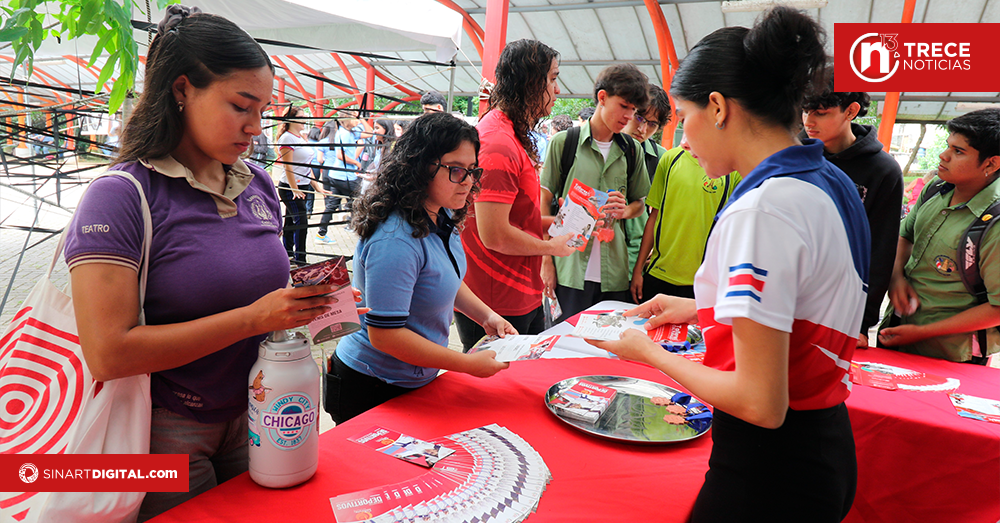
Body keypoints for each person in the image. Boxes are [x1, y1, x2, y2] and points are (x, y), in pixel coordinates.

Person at [62, 7, 345, 520]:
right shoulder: (120, 197)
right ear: (182, 90)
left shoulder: (258, 184)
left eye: (263, 110)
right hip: (164, 430)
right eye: (241, 106)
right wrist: (253, 319)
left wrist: (314, 303)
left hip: (263, 409)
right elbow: (107, 353)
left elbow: (254, 290)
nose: (255, 127)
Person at [590, 8, 868, 521]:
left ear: (717, 107)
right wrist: (704, 307)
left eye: (683, 115)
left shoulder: (763, 209)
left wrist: (647, 353)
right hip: (824, 443)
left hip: (768, 469)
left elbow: (760, 402)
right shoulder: (831, 183)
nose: (683, 138)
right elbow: (803, 307)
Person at [328, 112, 514, 423]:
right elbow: (386, 336)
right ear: (419, 166)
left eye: (472, 170)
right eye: (456, 170)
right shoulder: (395, 239)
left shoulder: (440, 214)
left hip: (410, 379)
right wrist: (467, 364)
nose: (468, 181)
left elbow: (443, 278)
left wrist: (487, 316)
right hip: (373, 385)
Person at [456, 39, 576, 350]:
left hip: (516, 291)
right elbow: (495, 235)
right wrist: (550, 248)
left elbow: (517, 219)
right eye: (552, 79)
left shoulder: (510, 132)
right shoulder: (498, 142)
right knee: (497, 377)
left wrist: (563, 224)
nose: (557, 90)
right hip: (496, 300)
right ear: (530, 82)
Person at [878, 109, 1000, 363]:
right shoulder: (936, 189)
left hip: (953, 354)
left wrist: (923, 332)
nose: (943, 155)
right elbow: (905, 236)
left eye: (958, 151)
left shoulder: (994, 222)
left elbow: (996, 309)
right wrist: (896, 277)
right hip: (897, 330)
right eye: (948, 146)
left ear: (991, 163)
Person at [540, 63, 650, 321]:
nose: (629, 116)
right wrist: (546, 260)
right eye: (624, 106)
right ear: (602, 97)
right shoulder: (564, 143)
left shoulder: (632, 150)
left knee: (606, 342)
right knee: (566, 338)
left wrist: (624, 211)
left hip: (614, 273)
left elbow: (640, 204)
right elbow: (543, 200)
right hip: (568, 268)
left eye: (634, 110)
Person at [802, 77, 904, 347]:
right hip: (784, 290)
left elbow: (880, 250)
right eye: (805, 111)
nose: (809, 121)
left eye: (820, 113)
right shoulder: (790, 153)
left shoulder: (883, 170)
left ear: (851, 111)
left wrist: (861, 322)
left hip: (840, 303)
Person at [631, 144, 741, 302]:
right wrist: (638, 270)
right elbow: (654, 216)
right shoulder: (670, 158)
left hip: (701, 282)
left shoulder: (732, 170)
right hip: (658, 274)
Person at [619, 83, 671, 273]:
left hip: (637, 260)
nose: (642, 129)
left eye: (652, 124)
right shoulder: (602, 148)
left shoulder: (662, 158)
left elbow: (664, 212)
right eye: (639, 117)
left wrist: (656, 246)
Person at [276, 105, 328, 266]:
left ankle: (287, 254)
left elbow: (306, 166)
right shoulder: (287, 138)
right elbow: (288, 167)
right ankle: (300, 260)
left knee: (292, 221)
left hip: (302, 187)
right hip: (290, 188)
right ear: (291, 120)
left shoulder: (299, 137)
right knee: (301, 222)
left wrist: (317, 186)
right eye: (301, 117)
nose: (305, 120)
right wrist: (294, 189)